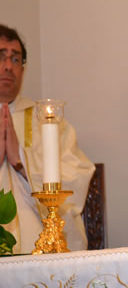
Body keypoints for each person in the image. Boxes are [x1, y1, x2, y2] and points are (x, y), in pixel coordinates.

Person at [0, 24, 94, 253]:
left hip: (40, 251)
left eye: (16, 59)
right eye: (1, 56)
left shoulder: (49, 120)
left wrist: (21, 162)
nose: (8, 67)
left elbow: (76, 177)